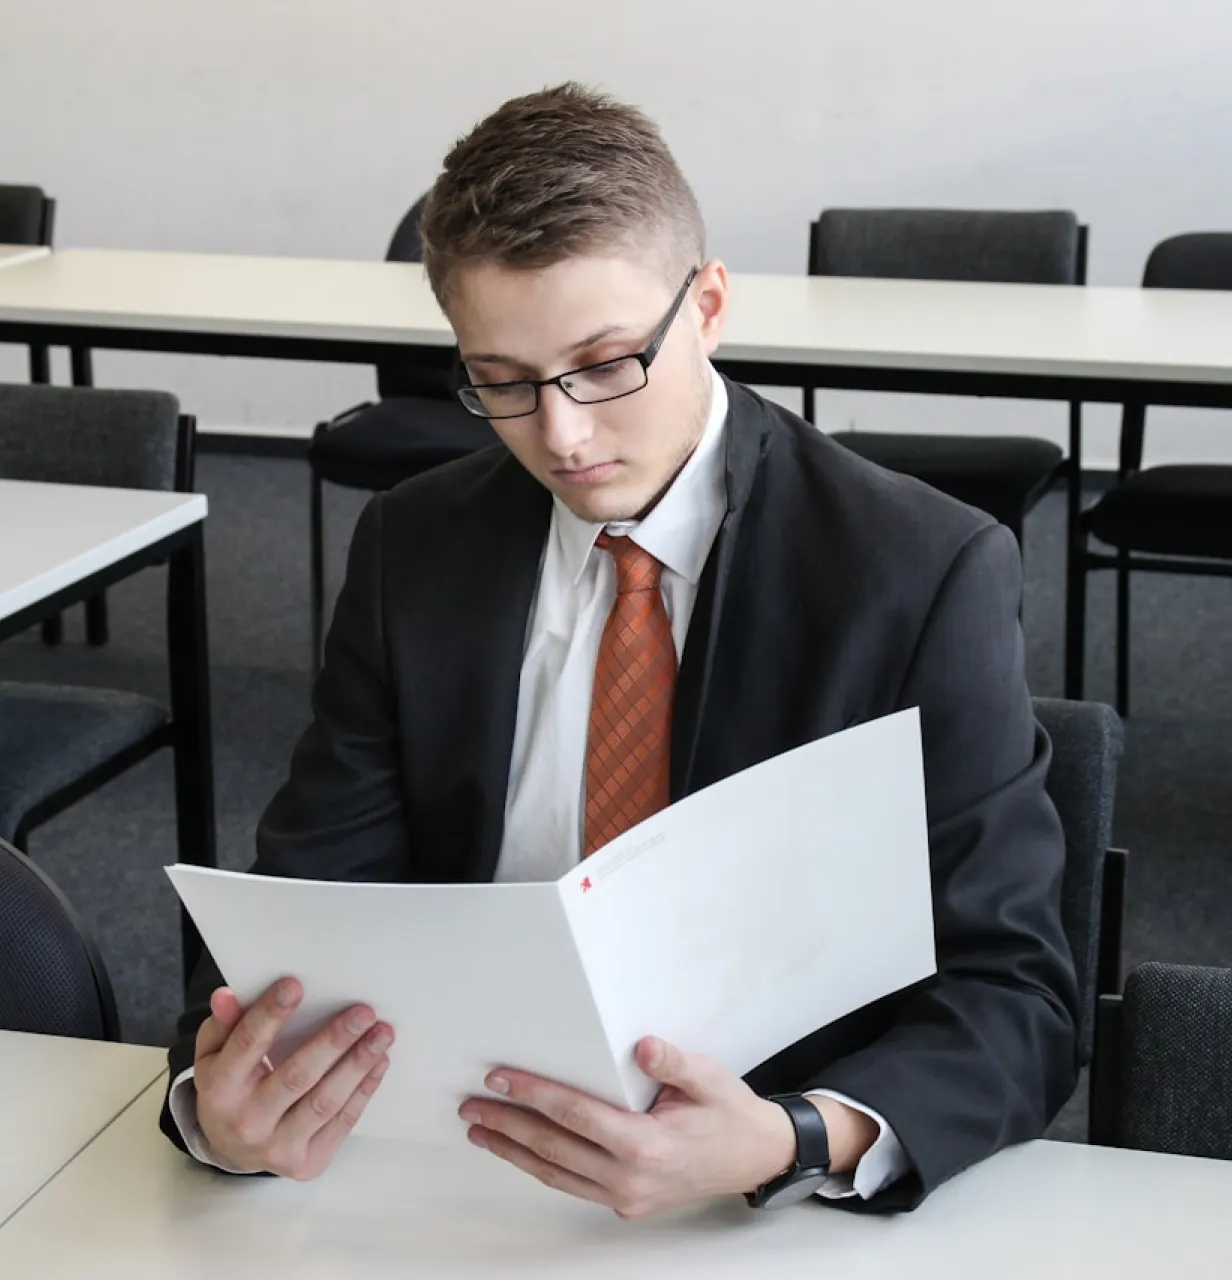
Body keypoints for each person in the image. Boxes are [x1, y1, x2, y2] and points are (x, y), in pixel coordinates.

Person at [161, 82, 1079, 1217]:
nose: (561, 434)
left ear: (706, 305)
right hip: (458, 1160)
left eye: (604, 364)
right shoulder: (416, 544)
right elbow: (303, 906)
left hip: (765, 1192)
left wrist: (792, 1138)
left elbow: (1018, 993)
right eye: (499, 381)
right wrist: (221, 1107)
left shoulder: (916, 570)